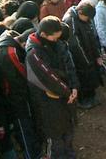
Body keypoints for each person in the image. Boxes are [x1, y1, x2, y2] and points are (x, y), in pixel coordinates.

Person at [25, 17, 78, 158]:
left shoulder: (58, 44)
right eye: (54, 38)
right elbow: (49, 77)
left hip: (65, 97)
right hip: (47, 102)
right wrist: (68, 92)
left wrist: (74, 86)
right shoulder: (33, 53)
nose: (57, 41)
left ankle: (69, 154)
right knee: (54, 138)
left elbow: (69, 65)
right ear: (43, 35)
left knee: (68, 130)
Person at [0, 26, 42, 158]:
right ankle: (32, 155)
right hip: (15, 98)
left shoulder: (9, 38)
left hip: (13, 94)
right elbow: (24, 76)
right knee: (24, 127)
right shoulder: (10, 53)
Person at [62, 2, 103, 109]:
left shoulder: (84, 20)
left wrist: (97, 54)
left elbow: (92, 37)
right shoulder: (71, 21)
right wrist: (85, 60)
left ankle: (91, 96)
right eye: (87, 17)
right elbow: (75, 44)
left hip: (88, 54)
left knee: (90, 76)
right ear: (80, 12)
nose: (88, 19)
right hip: (78, 58)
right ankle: (83, 100)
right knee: (83, 78)